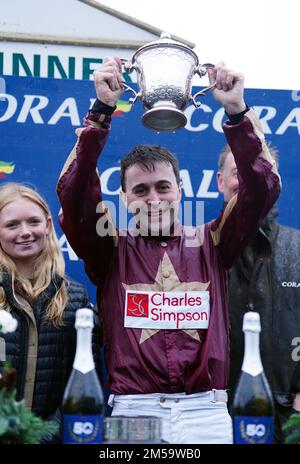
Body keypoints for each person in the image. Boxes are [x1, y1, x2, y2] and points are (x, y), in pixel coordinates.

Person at [56, 57, 281, 444]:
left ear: (180, 189)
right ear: (124, 198)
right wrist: (101, 112)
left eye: (163, 187)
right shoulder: (109, 248)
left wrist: (236, 112)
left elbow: (262, 188)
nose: (154, 199)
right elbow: (73, 195)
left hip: (206, 414)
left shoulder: (214, 241)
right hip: (133, 410)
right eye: (140, 191)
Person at [0, 183, 101, 443]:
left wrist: (43, 436)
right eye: (12, 225)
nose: (25, 232)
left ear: (47, 225)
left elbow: (85, 385)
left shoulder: (74, 297)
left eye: (33, 222)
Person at [217, 143, 300, 443]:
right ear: (220, 181)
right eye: (239, 173)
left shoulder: (298, 248)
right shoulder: (201, 249)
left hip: (289, 417)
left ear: (274, 181)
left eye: (260, 172)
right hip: (213, 419)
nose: (250, 180)